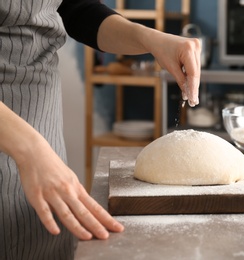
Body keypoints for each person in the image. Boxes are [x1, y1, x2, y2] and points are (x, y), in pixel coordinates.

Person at [0, 0, 201, 259]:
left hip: (40, 118)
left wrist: (149, 38)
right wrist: (29, 148)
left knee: (40, 237)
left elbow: (77, 10)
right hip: (28, 142)